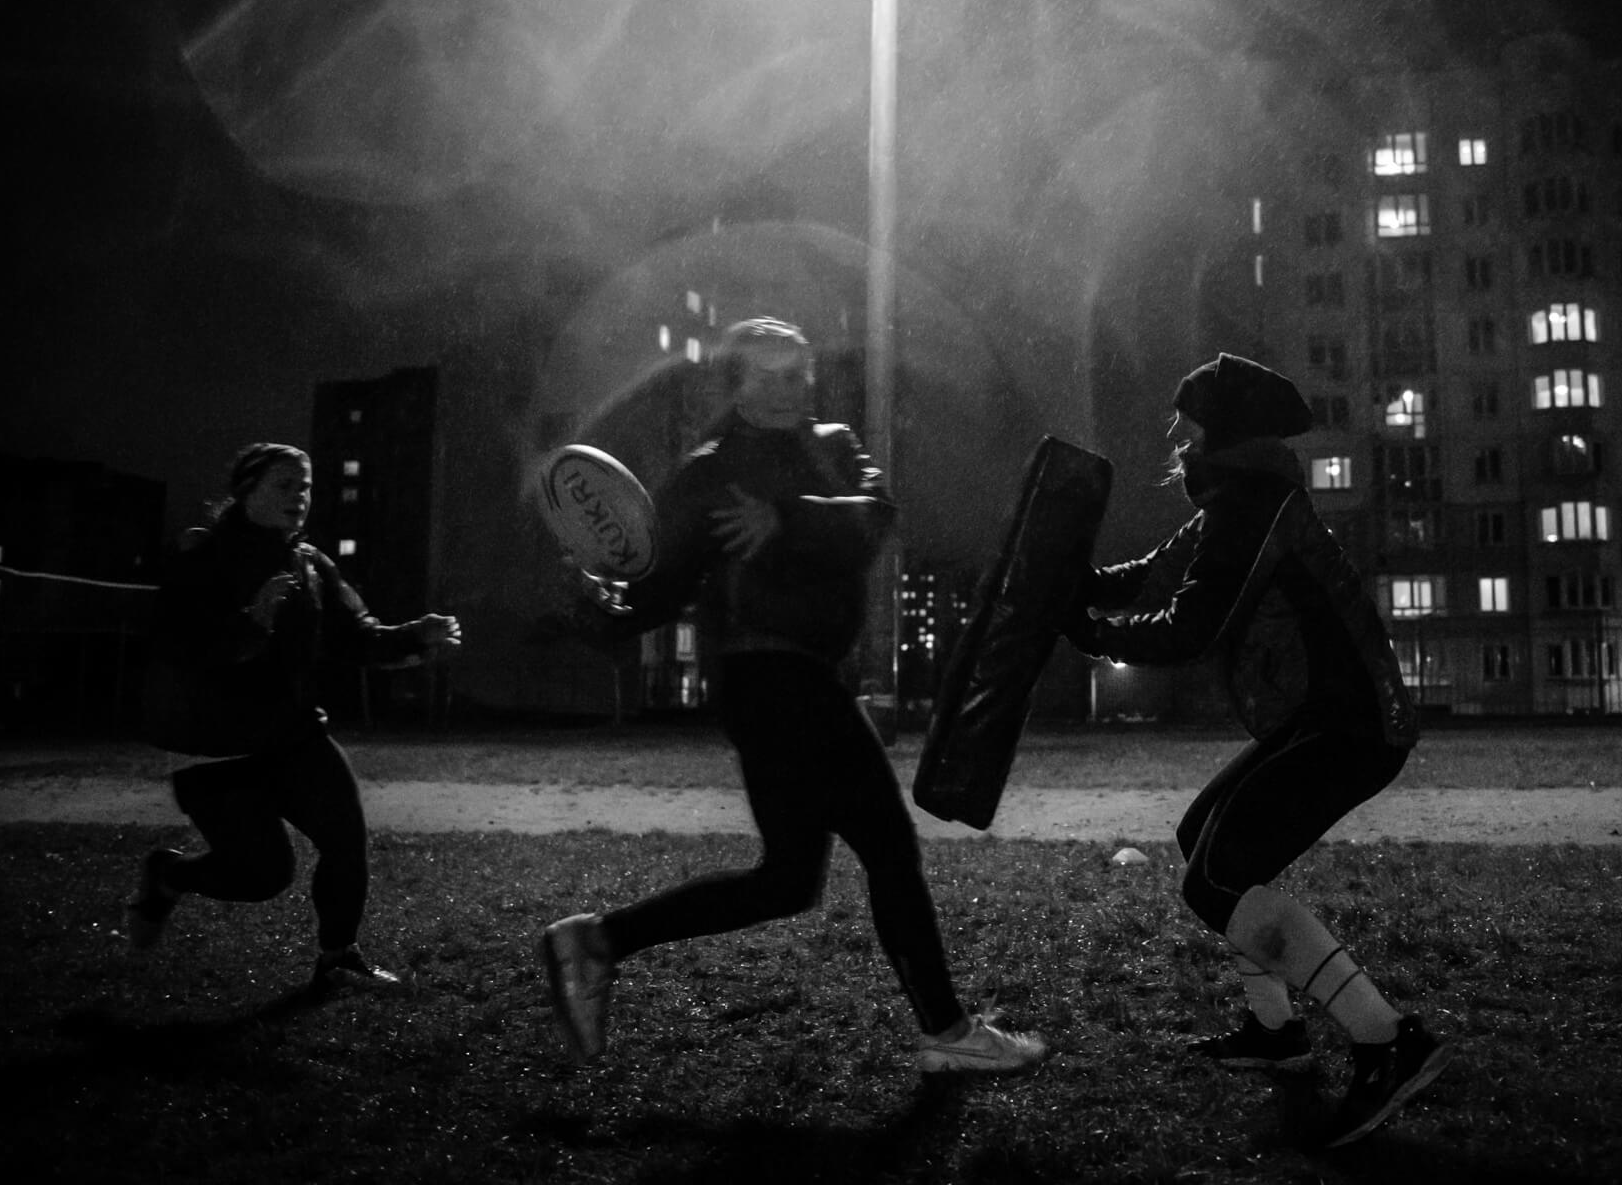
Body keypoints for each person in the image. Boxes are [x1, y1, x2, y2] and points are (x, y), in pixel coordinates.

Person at [538, 317, 1046, 1074]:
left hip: (799, 682)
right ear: (735, 381)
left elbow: (875, 520)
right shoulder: (708, 473)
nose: (786, 387)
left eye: (797, 373)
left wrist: (785, 519)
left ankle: (597, 940)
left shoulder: (836, 445)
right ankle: (946, 1032)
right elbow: (651, 593)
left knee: (785, 881)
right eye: (768, 374)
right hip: (769, 680)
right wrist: (590, 605)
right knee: (889, 847)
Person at [1057, 353, 1450, 1148]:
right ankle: (1275, 1031)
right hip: (1328, 721)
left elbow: (1190, 625)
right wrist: (1072, 583)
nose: (1175, 430)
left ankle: (1388, 1039)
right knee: (1201, 842)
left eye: (1188, 415)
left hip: (1351, 725)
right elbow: (1150, 575)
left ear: (1222, 425)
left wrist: (1091, 635)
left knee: (1217, 878)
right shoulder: (1235, 503)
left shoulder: (1255, 505)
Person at [126, 442, 462, 995]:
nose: (300, 497)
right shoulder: (200, 555)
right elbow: (182, 648)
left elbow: (358, 637)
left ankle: (338, 957)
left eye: (305, 487)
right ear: (246, 490)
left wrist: (415, 637)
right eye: (285, 485)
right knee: (262, 876)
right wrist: (252, 623)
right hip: (217, 749)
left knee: (346, 839)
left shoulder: (309, 562)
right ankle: (169, 875)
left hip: (294, 734)